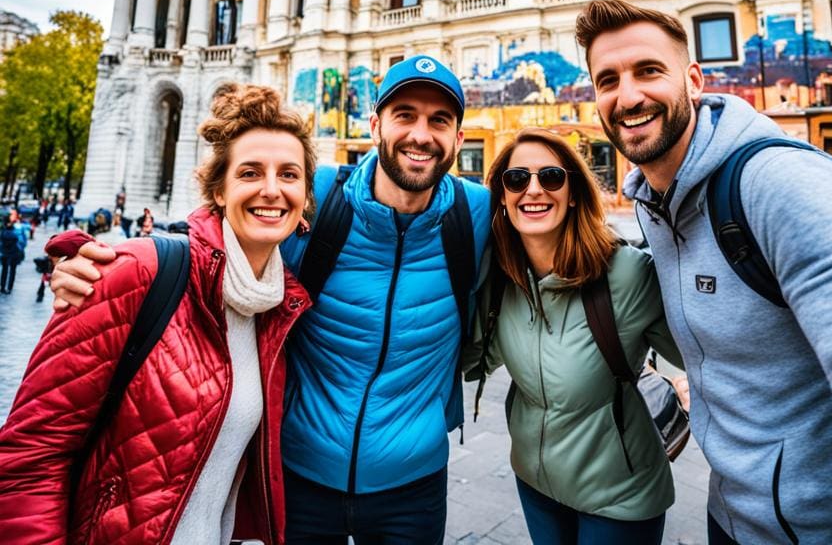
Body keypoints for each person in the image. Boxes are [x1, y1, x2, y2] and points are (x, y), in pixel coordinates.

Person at [49, 56, 491, 545]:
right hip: (301, 475)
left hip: (415, 482)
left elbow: (551, 246)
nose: (421, 134)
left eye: (439, 121)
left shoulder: (478, 213)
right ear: (375, 125)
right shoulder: (320, 195)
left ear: (457, 137)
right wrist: (109, 271)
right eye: (404, 114)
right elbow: (222, 238)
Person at [574, 0, 832, 543]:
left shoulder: (781, 186)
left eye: (648, 71)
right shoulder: (655, 202)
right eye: (607, 80)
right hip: (734, 516)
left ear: (693, 80)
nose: (628, 95)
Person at [0, 83, 315, 544]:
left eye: (289, 175)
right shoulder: (136, 271)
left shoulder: (277, 310)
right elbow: (32, 455)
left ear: (306, 198)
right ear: (219, 192)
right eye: (250, 173)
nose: (271, 189)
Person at [465, 128, 683, 545]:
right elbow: (472, 359)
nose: (533, 190)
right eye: (517, 180)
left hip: (620, 496)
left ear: (574, 192)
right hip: (533, 481)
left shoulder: (627, 273)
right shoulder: (502, 277)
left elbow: (703, 347)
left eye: (550, 177)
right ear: (503, 198)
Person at [0, 213, 24, 294]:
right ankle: (9, 288)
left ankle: (3, 287)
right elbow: (22, 241)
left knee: (5, 270)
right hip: (14, 252)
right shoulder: (17, 229)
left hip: (5, 252)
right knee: (12, 270)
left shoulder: (2, 231)